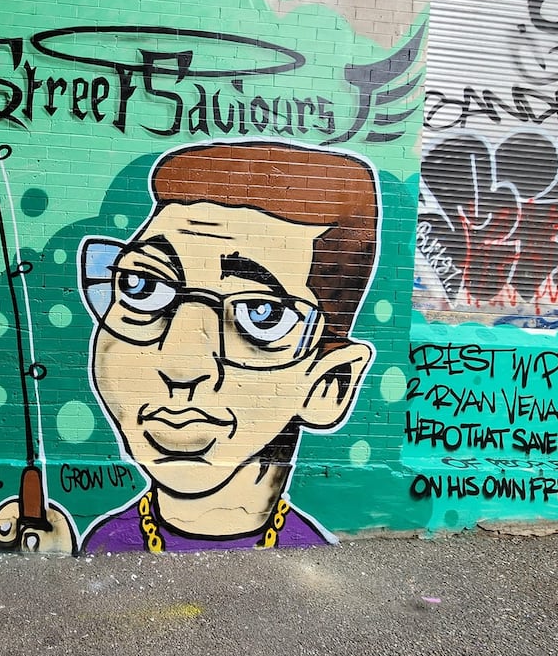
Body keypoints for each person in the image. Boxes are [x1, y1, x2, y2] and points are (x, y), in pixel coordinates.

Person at [80, 140, 379, 552]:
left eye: (261, 314)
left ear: (329, 384)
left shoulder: (307, 547)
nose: (182, 366)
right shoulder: (101, 542)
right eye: (142, 287)